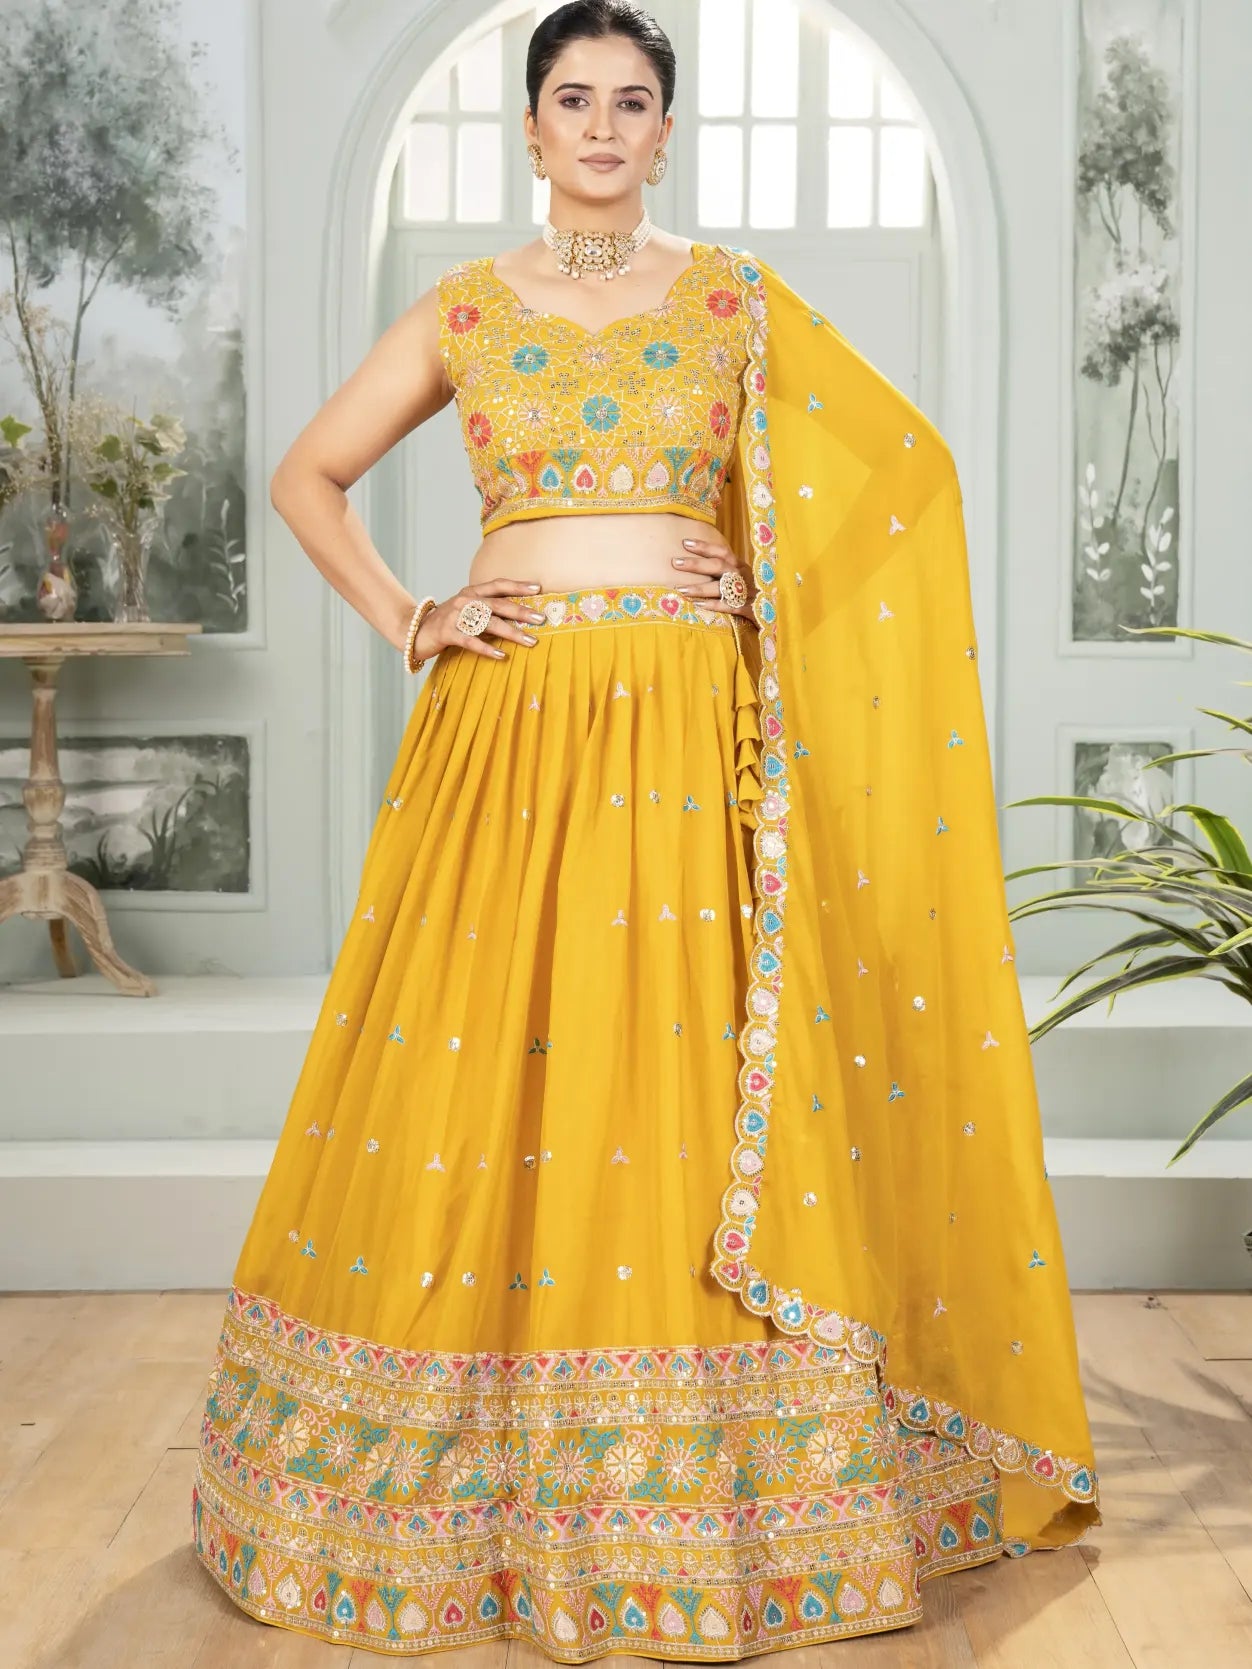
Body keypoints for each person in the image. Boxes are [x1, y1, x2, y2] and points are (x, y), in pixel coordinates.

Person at [190, 1, 1101, 1657]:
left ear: (663, 131)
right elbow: (308, 475)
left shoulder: (734, 298)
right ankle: (464, 1482)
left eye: (629, 101)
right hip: (507, 726)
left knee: (666, 1070)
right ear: (530, 131)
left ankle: (712, 1487)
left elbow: (901, 479)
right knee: (477, 1064)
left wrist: (765, 586)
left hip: (685, 731)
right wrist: (416, 617)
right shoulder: (465, 306)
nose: (601, 127)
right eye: (570, 100)